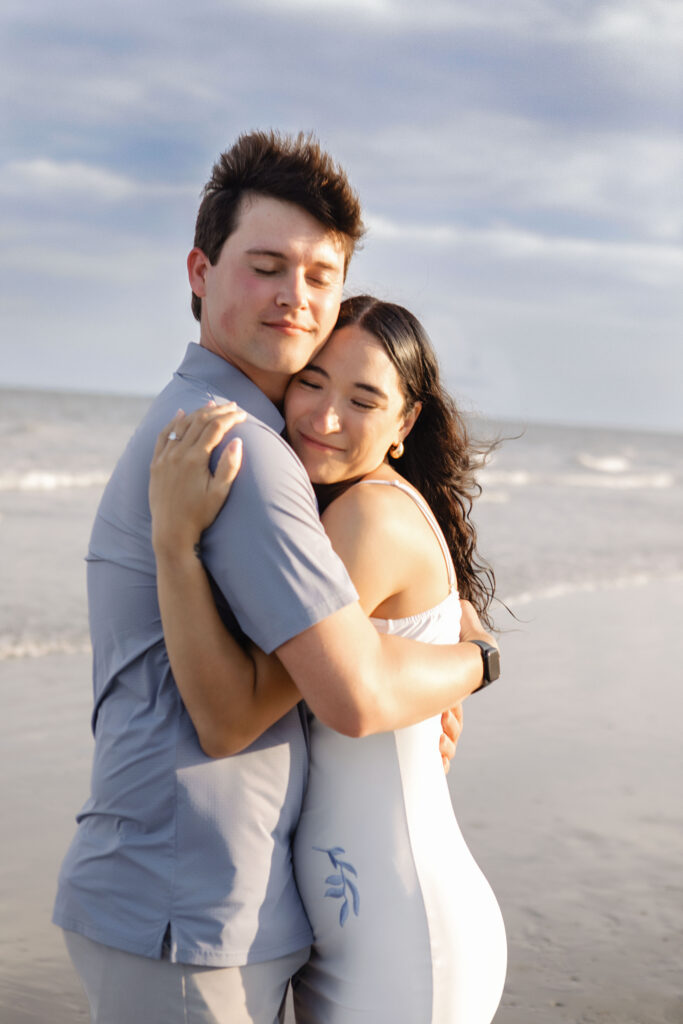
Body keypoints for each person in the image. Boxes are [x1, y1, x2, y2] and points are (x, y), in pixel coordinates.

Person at [53, 131, 493, 1024]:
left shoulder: (228, 432)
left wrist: (452, 631)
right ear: (199, 271)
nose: (296, 298)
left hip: (207, 900)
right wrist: (477, 660)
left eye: (319, 277)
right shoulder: (239, 449)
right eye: (266, 266)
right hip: (187, 905)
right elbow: (340, 695)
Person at [148, 295, 506, 1023]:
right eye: (311, 380)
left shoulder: (365, 517)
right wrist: (472, 657)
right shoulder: (347, 510)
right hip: (360, 927)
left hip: (405, 940)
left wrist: (173, 544)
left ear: (405, 425)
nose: (324, 416)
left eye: (363, 399)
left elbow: (229, 718)